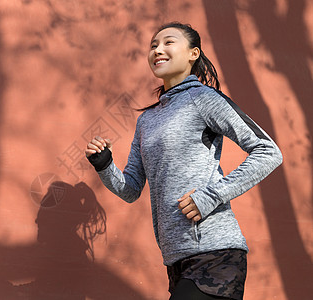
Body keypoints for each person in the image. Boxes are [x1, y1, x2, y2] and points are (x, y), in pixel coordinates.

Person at [85, 22, 283, 300]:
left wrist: (210, 196)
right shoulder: (147, 120)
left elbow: (268, 151)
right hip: (176, 259)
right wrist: (104, 164)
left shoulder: (203, 99)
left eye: (168, 42)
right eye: (153, 45)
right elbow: (130, 189)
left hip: (216, 252)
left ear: (193, 54)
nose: (157, 49)